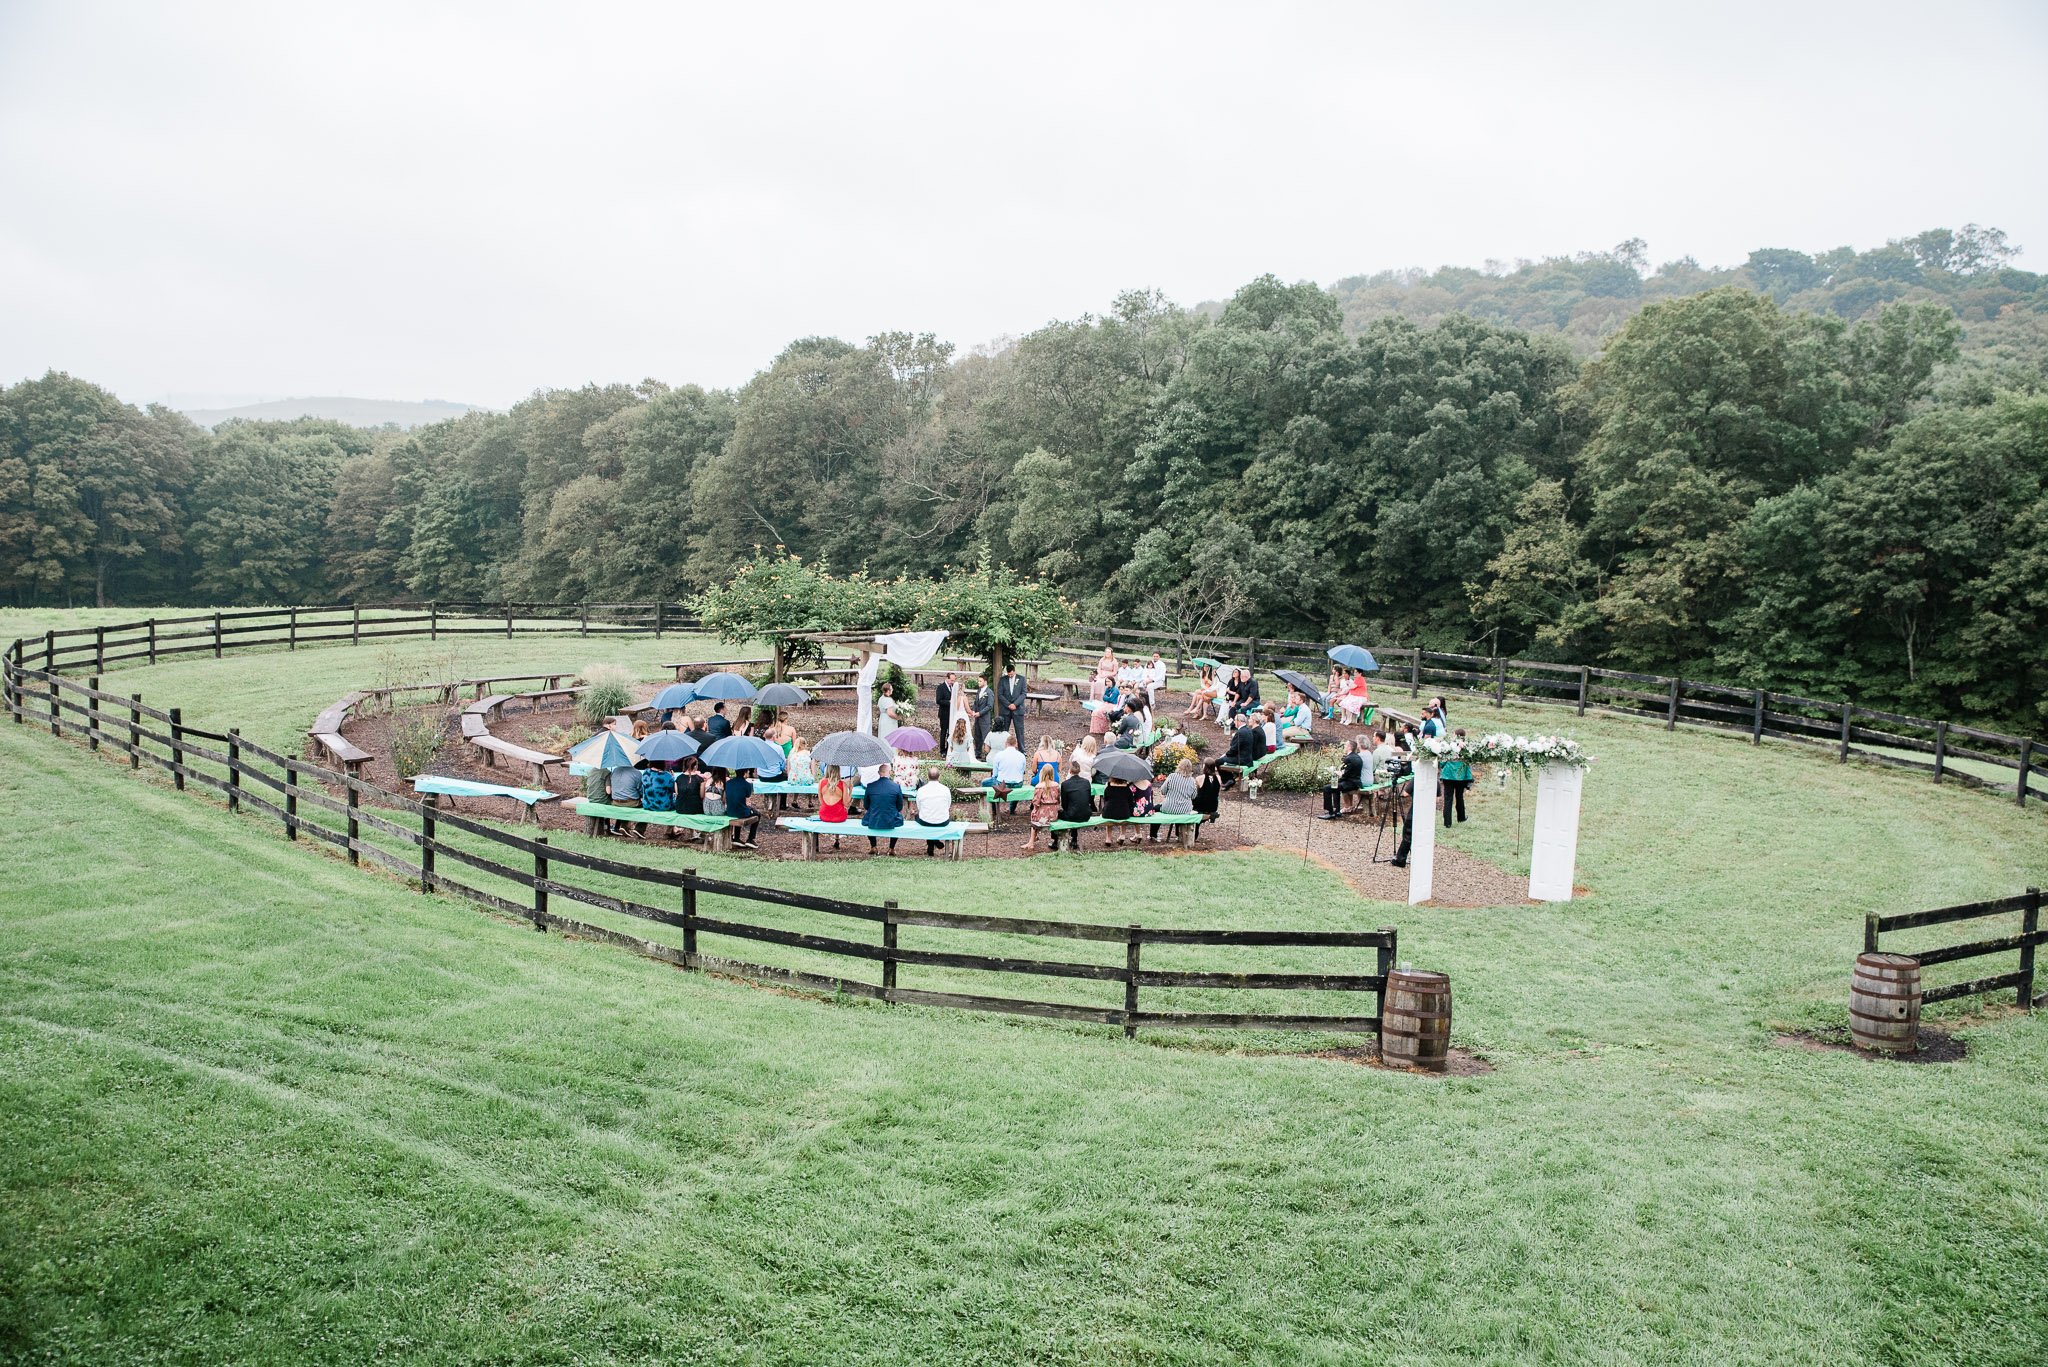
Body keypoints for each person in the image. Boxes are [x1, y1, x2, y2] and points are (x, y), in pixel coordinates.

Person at [861, 763, 905, 854]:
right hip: (891, 819)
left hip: (874, 818)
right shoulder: (896, 787)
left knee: (868, 817)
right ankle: (891, 848)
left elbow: (866, 805)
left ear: (878, 773)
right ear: (890, 772)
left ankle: (873, 846)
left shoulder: (870, 786)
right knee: (897, 818)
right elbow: (900, 806)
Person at [1055, 759, 1095, 851]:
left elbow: (1064, 804)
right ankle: (1074, 839)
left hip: (1072, 814)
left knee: (1060, 813)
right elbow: (1088, 799)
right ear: (1079, 771)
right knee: (1074, 809)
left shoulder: (1065, 784)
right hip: (1086, 814)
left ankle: (1055, 840)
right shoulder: (1086, 782)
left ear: (1070, 771)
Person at [1320, 739, 1365, 819]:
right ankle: (1336, 811)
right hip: (1356, 782)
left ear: (1349, 747)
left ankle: (1330, 812)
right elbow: (1350, 771)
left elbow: (1345, 775)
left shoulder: (1349, 758)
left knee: (1326, 788)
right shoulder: (1357, 757)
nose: (1344, 747)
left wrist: (1338, 773)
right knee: (1335, 787)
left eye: (1345, 745)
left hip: (1350, 783)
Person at [912, 772, 953, 856]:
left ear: (928, 777)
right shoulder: (945, 789)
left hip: (925, 821)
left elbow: (919, 807)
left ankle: (931, 845)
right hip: (943, 821)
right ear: (939, 776)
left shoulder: (921, 790)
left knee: (921, 817)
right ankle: (935, 841)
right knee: (934, 818)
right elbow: (948, 805)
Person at [1021, 768, 1061, 853]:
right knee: (1037, 814)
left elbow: (1036, 802)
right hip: (1054, 815)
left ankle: (1031, 842)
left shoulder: (1039, 786)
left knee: (1034, 815)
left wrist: (1035, 810)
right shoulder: (1056, 785)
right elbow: (1058, 799)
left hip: (1043, 818)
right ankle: (1032, 840)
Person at [1440, 727, 1473, 826]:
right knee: (1459, 796)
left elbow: (1442, 761)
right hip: (1461, 775)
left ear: (1455, 735)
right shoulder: (1467, 748)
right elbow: (1469, 760)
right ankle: (1461, 817)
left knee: (1448, 798)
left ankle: (1447, 822)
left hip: (1448, 775)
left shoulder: (1449, 745)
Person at [607, 761, 645, 838]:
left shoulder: (615, 770)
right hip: (630, 802)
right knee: (646, 808)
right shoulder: (637, 773)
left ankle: (617, 827)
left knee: (623, 803)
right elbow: (641, 790)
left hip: (615, 802)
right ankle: (638, 829)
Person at [995, 661, 1028, 748]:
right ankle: (1003, 748)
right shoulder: (1003, 680)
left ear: (1014, 671)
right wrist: (1008, 704)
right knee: (1004, 731)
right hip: (1006, 710)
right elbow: (1000, 694)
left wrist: (1015, 704)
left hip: (1018, 709)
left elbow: (1024, 693)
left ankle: (1022, 750)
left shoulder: (1021, 679)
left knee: (1019, 731)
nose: (1010, 676)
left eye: (1011, 675)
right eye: (1009, 674)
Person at [724, 767, 760, 848]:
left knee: (738, 809)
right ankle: (750, 839)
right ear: (745, 772)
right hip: (741, 812)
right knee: (757, 814)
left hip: (729, 811)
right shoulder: (747, 784)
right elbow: (747, 800)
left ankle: (736, 838)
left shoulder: (729, 782)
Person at [1100, 772, 1138, 846]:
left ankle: (1108, 838)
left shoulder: (1108, 787)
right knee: (1123, 810)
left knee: (1109, 812)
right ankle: (1122, 835)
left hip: (1109, 813)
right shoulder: (1127, 788)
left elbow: (1105, 800)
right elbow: (1131, 802)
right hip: (1124, 813)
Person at [581, 761, 614, 835]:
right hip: (602, 800)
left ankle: (606, 828)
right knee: (611, 801)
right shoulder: (607, 772)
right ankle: (607, 828)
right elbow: (608, 791)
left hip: (591, 798)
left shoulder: (591, 771)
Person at [1193, 760, 1222, 829]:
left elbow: (1195, 792)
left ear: (1205, 767)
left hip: (1201, 805)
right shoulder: (1218, 778)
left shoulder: (1199, 778)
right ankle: (1211, 815)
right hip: (1213, 805)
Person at [971, 675, 995, 759]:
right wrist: (973, 710)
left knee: (985, 737)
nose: (978, 682)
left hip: (984, 719)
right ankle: (978, 753)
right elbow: (975, 702)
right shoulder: (979, 691)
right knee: (977, 736)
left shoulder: (989, 692)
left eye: (980, 681)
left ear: (985, 682)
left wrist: (980, 713)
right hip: (977, 718)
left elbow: (989, 706)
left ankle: (987, 755)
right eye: (978, 681)